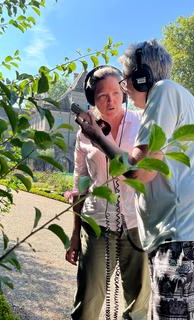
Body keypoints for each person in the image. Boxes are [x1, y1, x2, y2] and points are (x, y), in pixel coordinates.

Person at [75, 40, 194, 320]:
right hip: (188, 237)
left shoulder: (163, 92)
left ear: (141, 76)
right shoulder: (170, 99)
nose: (123, 90)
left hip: (184, 237)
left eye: (124, 81)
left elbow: (140, 171)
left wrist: (99, 138)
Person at [65, 65, 151, 320]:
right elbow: (80, 182)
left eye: (116, 92)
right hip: (97, 223)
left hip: (137, 223)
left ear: (124, 92)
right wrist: (74, 234)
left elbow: (145, 171)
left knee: (138, 305)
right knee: (87, 302)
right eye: (103, 95)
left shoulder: (142, 122)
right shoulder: (83, 134)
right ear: (92, 99)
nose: (111, 100)